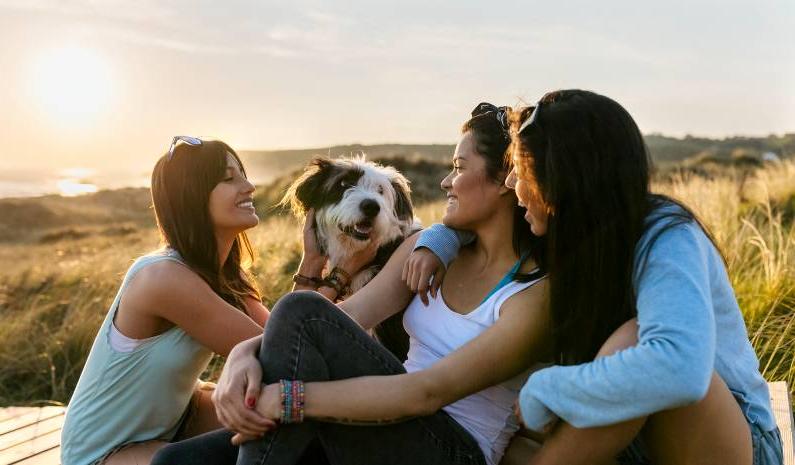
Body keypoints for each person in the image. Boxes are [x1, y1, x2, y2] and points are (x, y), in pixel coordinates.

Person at [152, 104, 550, 465]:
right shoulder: (425, 249)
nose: (446, 182)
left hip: (450, 448)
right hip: (386, 420)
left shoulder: (532, 293)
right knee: (174, 463)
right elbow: (343, 319)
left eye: (460, 168)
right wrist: (243, 353)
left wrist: (290, 401)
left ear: (507, 179)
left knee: (298, 313)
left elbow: (427, 392)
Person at [406, 90, 784, 465]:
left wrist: (548, 389)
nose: (510, 186)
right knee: (497, 440)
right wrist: (441, 238)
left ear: (559, 177)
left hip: (736, 444)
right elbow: (488, 219)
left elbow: (680, 369)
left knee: (632, 343)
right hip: (634, 442)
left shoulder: (666, 236)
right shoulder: (574, 231)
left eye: (521, 173)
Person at [61, 137, 375, 465]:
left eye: (244, 174)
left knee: (302, 429)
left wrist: (311, 261)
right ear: (192, 197)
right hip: (105, 452)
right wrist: (339, 275)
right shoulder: (163, 278)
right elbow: (281, 353)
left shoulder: (224, 275)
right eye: (229, 179)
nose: (249, 186)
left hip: (181, 419)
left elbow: (285, 339)